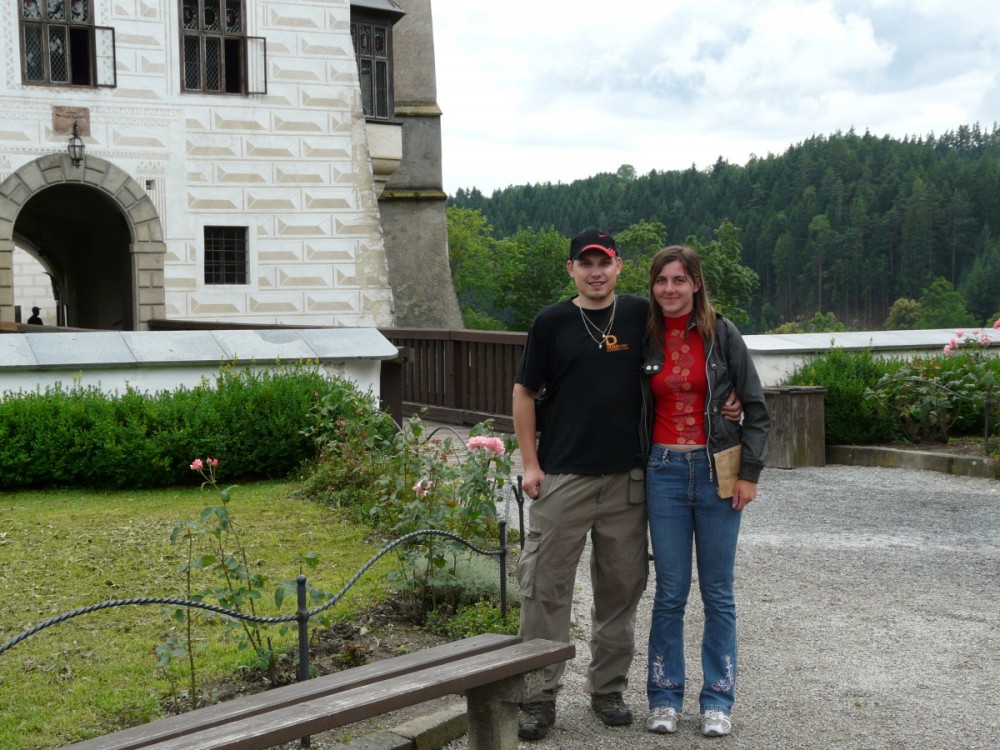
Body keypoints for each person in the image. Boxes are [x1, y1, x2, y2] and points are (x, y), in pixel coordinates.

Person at [512, 229, 743, 741]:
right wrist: (530, 463)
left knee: (620, 590)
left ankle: (608, 689)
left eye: (604, 263)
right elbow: (524, 392)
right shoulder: (551, 322)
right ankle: (538, 695)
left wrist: (730, 400)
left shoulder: (643, 315)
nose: (595, 272)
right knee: (545, 588)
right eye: (586, 263)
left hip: (631, 479)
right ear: (571, 269)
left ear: (619, 266)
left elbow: (695, 349)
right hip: (563, 475)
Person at [641, 245, 769, 738]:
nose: (669, 289)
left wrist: (749, 474)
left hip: (718, 471)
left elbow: (755, 408)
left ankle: (717, 698)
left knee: (718, 592)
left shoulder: (723, 333)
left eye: (679, 279)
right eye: (661, 280)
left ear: (696, 283)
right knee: (670, 591)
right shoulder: (645, 336)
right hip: (664, 470)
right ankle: (664, 696)